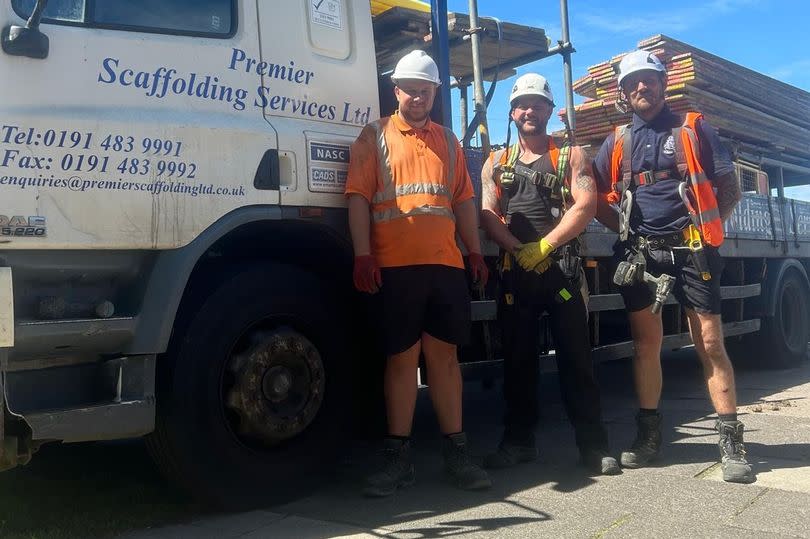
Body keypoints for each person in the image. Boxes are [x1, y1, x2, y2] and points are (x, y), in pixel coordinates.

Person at [592, 50, 751, 483]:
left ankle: (732, 446)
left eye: (649, 80)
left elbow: (728, 186)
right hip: (641, 255)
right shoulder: (617, 141)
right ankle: (649, 439)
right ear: (624, 92)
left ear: (663, 84)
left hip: (692, 249)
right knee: (646, 346)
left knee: (710, 344)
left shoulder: (693, 129)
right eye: (633, 82)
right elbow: (593, 194)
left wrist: (706, 230)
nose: (641, 87)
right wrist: (623, 230)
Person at [345, 50, 492, 497]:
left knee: (445, 359)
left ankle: (457, 452)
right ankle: (398, 459)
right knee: (401, 361)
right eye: (410, 89)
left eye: (425, 90)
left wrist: (474, 251)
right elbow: (357, 197)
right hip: (396, 266)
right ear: (397, 91)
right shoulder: (375, 137)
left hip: (444, 265)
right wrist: (363, 254)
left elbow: (463, 201)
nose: (417, 96)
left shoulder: (449, 141)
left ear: (434, 93)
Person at [480, 73, 620, 475]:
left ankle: (593, 447)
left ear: (547, 110)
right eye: (522, 104)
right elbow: (487, 213)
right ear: (512, 111)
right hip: (517, 273)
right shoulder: (497, 161)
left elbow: (586, 204)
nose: (529, 111)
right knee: (518, 362)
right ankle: (518, 442)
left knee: (577, 361)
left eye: (537, 104)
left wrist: (545, 246)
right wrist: (516, 249)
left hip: (561, 273)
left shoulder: (571, 155)